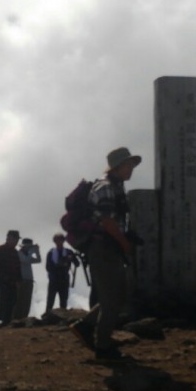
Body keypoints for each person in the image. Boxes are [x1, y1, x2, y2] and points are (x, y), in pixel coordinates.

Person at [70, 147, 142, 360]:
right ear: (117, 167)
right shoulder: (106, 187)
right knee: (112, 298)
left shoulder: (115, 187)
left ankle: (85, 326)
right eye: (128, 165)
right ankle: (103, 346)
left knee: (118, 295)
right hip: (103, 248)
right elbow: (107, 221)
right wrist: (125, 244)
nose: (131, 169)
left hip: (109, 247)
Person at [0, 230, 22, 325]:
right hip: (2, 280)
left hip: (13, 281)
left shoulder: (15, 252)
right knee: (2, 300)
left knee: (12, 300)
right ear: (9, 238)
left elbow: (18, 267)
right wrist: (4, 276)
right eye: (15, 239)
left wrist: (18, 280)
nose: (16, 242)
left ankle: (6, 321)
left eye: (17, 239)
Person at [45, 233, 79, 312]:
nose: (58, 242)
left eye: (60, 240)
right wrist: (60, 264)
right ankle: (47, 315)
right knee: (50, 300)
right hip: (54, 278)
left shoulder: (68, 252)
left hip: (64, 278)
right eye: (57, 240)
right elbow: (48, 267)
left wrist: (71, 258)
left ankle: (63, 316)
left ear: (63, 241)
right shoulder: (51, 252)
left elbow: (77, 264)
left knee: (63, 300)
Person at [16, 237, 41, 320]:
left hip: (29, 280)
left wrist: (37, 251)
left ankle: (24, 317)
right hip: (21, 280)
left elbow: (38, 260)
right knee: (20, 300)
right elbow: (25, 260)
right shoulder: (19, 253)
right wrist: (31, 252)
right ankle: (16, 318)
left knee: (27, 300)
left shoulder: (27, 255)